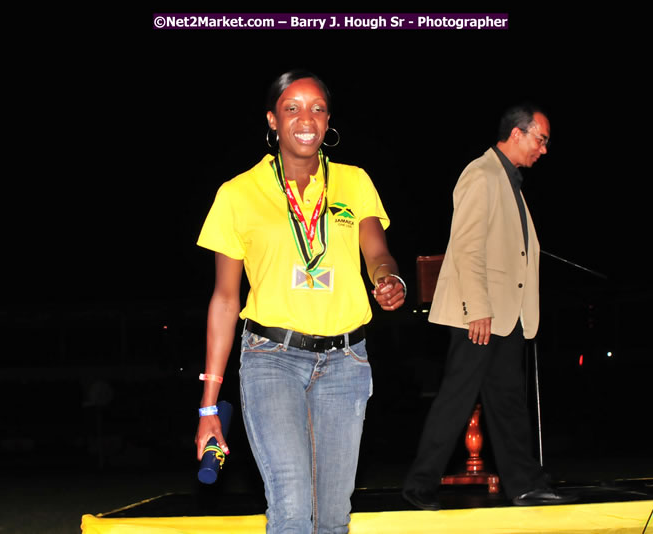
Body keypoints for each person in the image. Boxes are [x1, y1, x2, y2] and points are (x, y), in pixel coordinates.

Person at [195, 70, 405, 533]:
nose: (305, 119)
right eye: (291, 108)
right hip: (272, 359)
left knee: (332, 518)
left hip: (346, 362)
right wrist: (209, 406)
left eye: (316, 108)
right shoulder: (237, 194)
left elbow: (377, 251)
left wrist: (388, 278)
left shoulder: (354, 182)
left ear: (328, 119)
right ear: (272, 120)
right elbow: (226, 300)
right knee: (291, 508)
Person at [402, 104, 576, 509]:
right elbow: (466, 247)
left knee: (507, 398)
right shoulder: (481, 174)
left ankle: (525, 483)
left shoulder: (508, 181)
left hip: (504, 315)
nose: (544, 149)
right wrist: (477, 308)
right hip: (479, 314)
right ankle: (419, 486)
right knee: (457, 398)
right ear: (517, 133)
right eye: (541, 139)